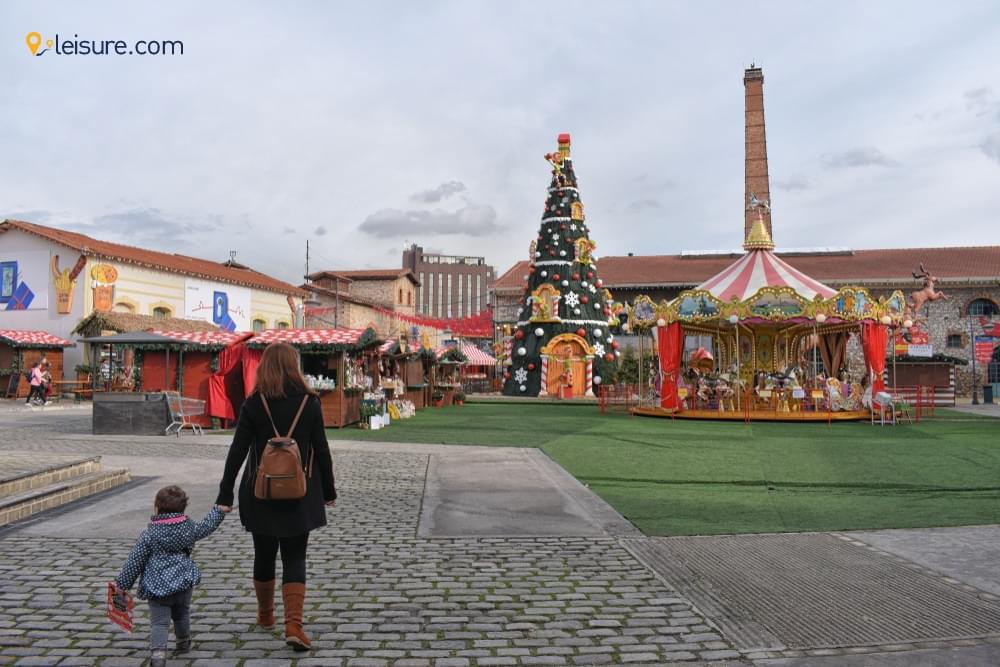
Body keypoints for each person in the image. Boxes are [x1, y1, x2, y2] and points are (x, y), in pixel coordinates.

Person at [216, 342, 336, 652]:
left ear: (264, 367)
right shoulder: (310, 403)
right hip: (300, 492)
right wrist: (329, 491)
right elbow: (321, 450)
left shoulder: (254, 403)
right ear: (294, 367)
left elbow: (237, 451)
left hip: (260, 492)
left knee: (263, 553)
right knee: (295, 556)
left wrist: (225, 493)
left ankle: (266, 615)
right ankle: (294, 625)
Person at [114, 486, 228, 667]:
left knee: (159, 623)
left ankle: (158, 655)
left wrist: (122, 585)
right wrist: (218, 511)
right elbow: (206, 527)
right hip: (183, 583)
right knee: (182, 614)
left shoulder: (149, 535)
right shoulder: (188, 528)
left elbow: (135, 562)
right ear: (183, 508)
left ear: (157, 508)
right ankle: (183, 642)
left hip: (158, 588)